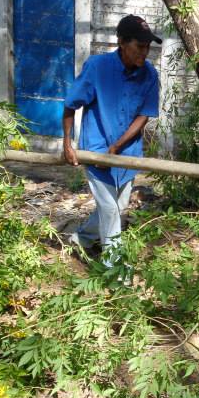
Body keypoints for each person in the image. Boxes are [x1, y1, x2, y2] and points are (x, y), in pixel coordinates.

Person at [62, 14, 161, 264]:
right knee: (110, 210)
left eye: (148, 47)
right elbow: (70, 105)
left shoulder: (149, 74)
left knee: (118, 207)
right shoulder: (97, 68)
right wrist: (67, 143)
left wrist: (117, 147)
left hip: (127, 156)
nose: (145, 52)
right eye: (140, 46)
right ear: (121, 42)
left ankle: (81, 239)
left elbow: (144, 115)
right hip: (96, 153)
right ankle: (115, 270)